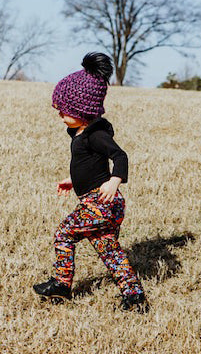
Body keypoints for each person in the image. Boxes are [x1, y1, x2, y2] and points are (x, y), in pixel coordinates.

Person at [33, 52, 148, 313]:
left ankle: (62, 284)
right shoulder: (83, 133)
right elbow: (90, 168)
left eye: (65, 111)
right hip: (100, 203)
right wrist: (73, 181)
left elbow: (120, 156)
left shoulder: (96, 136)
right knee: (110, 251)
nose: (61, 115)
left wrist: (114, 181)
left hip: (101, 202)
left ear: (83, 110)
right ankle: (135, 297)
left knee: (64, 233)